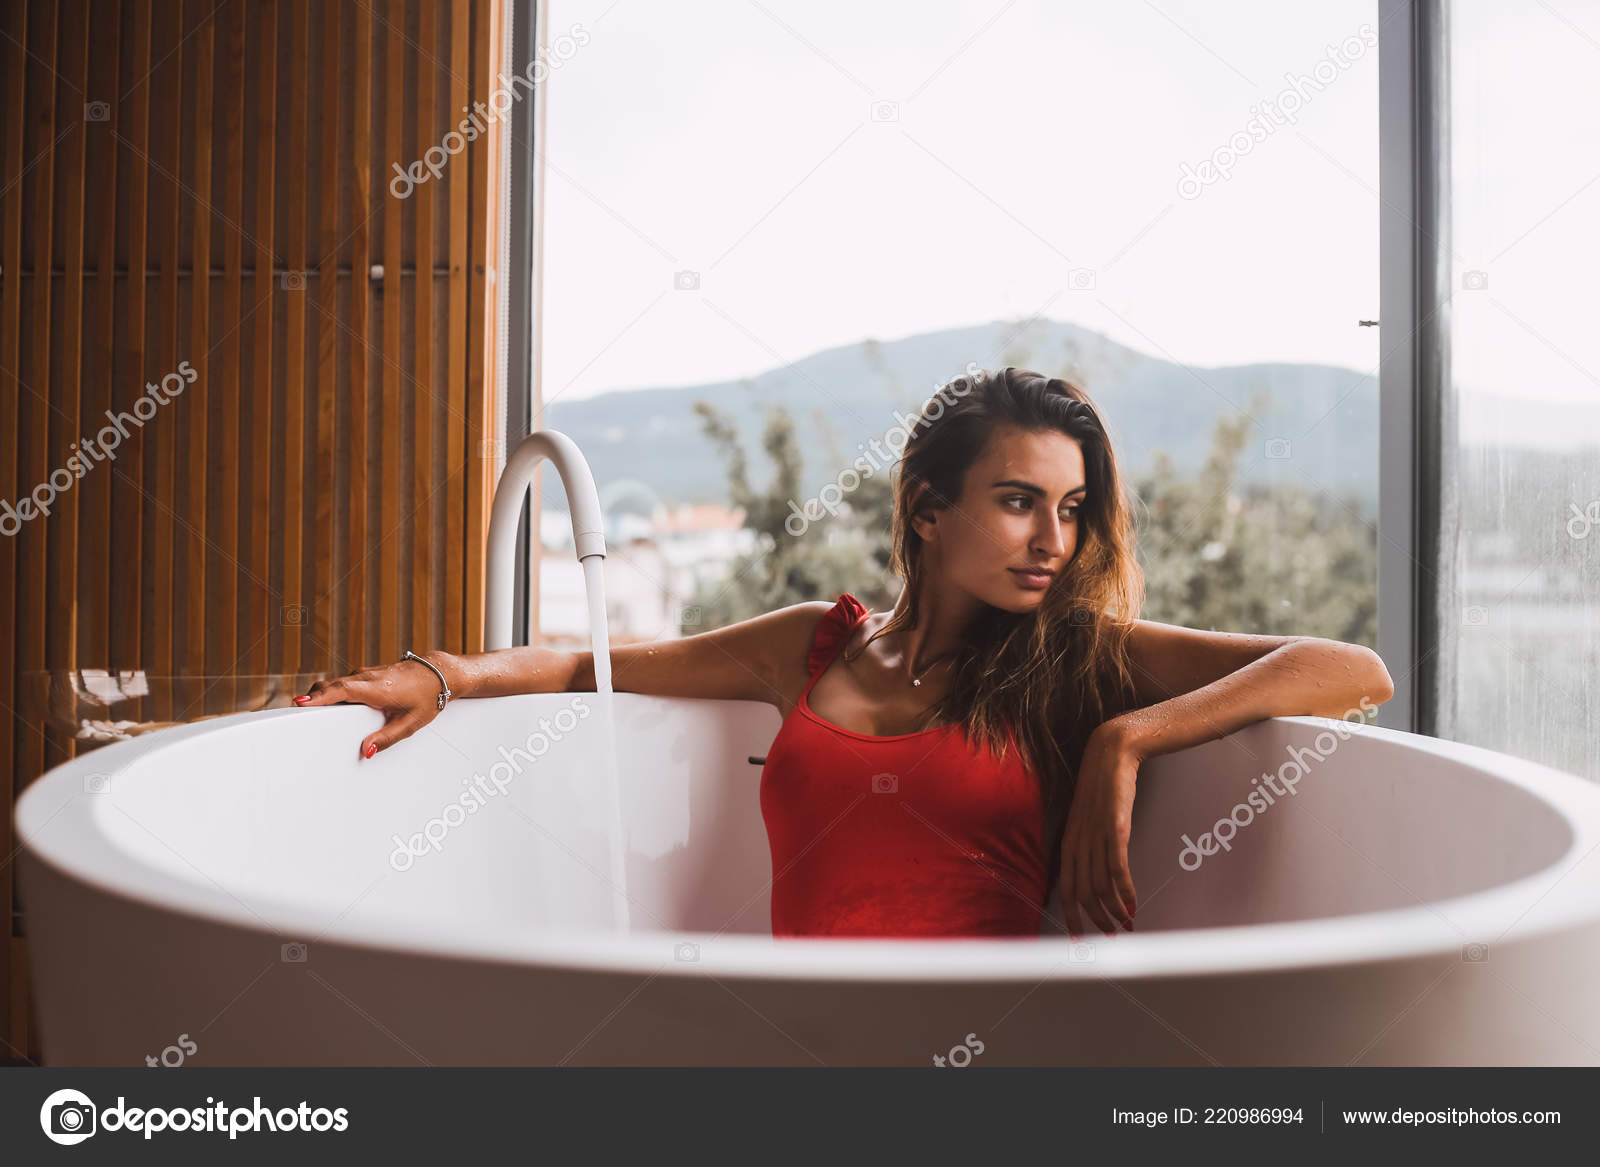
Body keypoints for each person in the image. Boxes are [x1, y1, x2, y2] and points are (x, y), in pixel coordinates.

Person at [295, 367, 1394, 940]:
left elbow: (1349, 669)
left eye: (1068, 508)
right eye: (1018, 503)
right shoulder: (810, 647)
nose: (1053, 541)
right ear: (926, 509)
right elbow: (597, 665)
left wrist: (1124, 740)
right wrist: (444, 676)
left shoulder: (1075, 659)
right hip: (806, 1055)